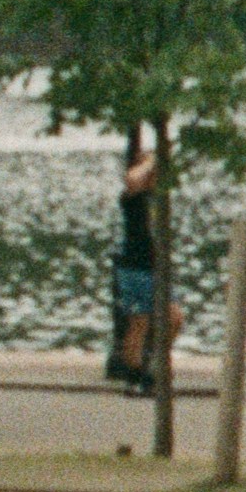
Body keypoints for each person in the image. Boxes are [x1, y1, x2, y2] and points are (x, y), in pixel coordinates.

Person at [106, 134, 169, 393]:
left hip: (153, 267)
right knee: (140, 321)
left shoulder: (157, 199)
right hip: (135, 267)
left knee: (173, 317)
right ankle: (134, 377)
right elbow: (133, 178)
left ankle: (147, 365)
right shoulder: (132, 198)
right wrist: (152, 158)